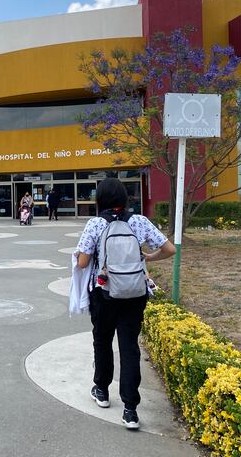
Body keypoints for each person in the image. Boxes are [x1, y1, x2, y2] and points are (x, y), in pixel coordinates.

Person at [73, 178, 175, 430]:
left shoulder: (95, 223)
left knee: (102, 341)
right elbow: (169, 249)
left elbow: (83, 263)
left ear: (101, 199)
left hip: (104, 292)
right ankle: (130, 409)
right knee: (129, 347)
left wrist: (78, 256)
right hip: (134, 292)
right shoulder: (139, 221)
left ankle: (102, 391)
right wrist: (148, 257)